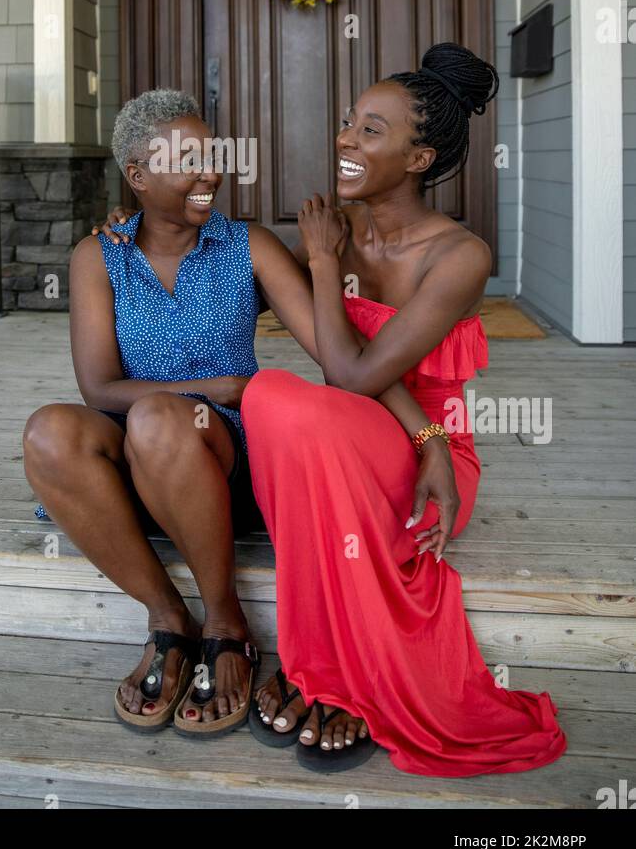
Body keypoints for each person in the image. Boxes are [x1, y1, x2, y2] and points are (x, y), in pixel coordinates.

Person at [24, 88, 435, 738]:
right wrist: (221, 384)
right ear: (138, 176)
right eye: (188, 157)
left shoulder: (248, 246)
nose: (210, 170)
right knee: (49, 430)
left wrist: (428, 434)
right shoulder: (97, 257)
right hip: (146, 444)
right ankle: (169, 621)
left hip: (228, 462)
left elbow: (339, 355)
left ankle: (225, 624)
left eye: (211, 154)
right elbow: (100, 387)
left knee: (163, 416)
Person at [242, 42, 568, 776]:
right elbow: (343, 369)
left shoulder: (458, 255)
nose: (345, 140)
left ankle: (334, 677)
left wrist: (324, 268)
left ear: (419, 160)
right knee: (274, 398)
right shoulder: (337, 229)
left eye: (370, 130)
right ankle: (323, 666)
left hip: (428, 464)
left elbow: (353, 375)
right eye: (350, 122)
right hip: (369, 438)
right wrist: (125, 226)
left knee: (298, 408)